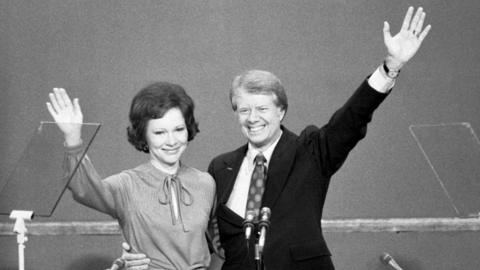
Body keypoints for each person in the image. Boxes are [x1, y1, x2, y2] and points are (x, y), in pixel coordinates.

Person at [122, 6, 431, 270]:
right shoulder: (221, 167)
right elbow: (200, 235)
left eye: (261, 109)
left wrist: (391, 67)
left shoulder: (310, 151)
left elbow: (350, 120)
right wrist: (142, 252)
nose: (252, 118)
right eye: (243, 110)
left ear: (281, 111)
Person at [46, 82, 216, 270]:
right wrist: (73, 138)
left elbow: (217, 246)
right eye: (159, 132)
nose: (172, 141)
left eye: (178, 129)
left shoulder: (206, 183)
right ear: (144, 135)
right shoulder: (127, 185)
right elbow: (82, 188)